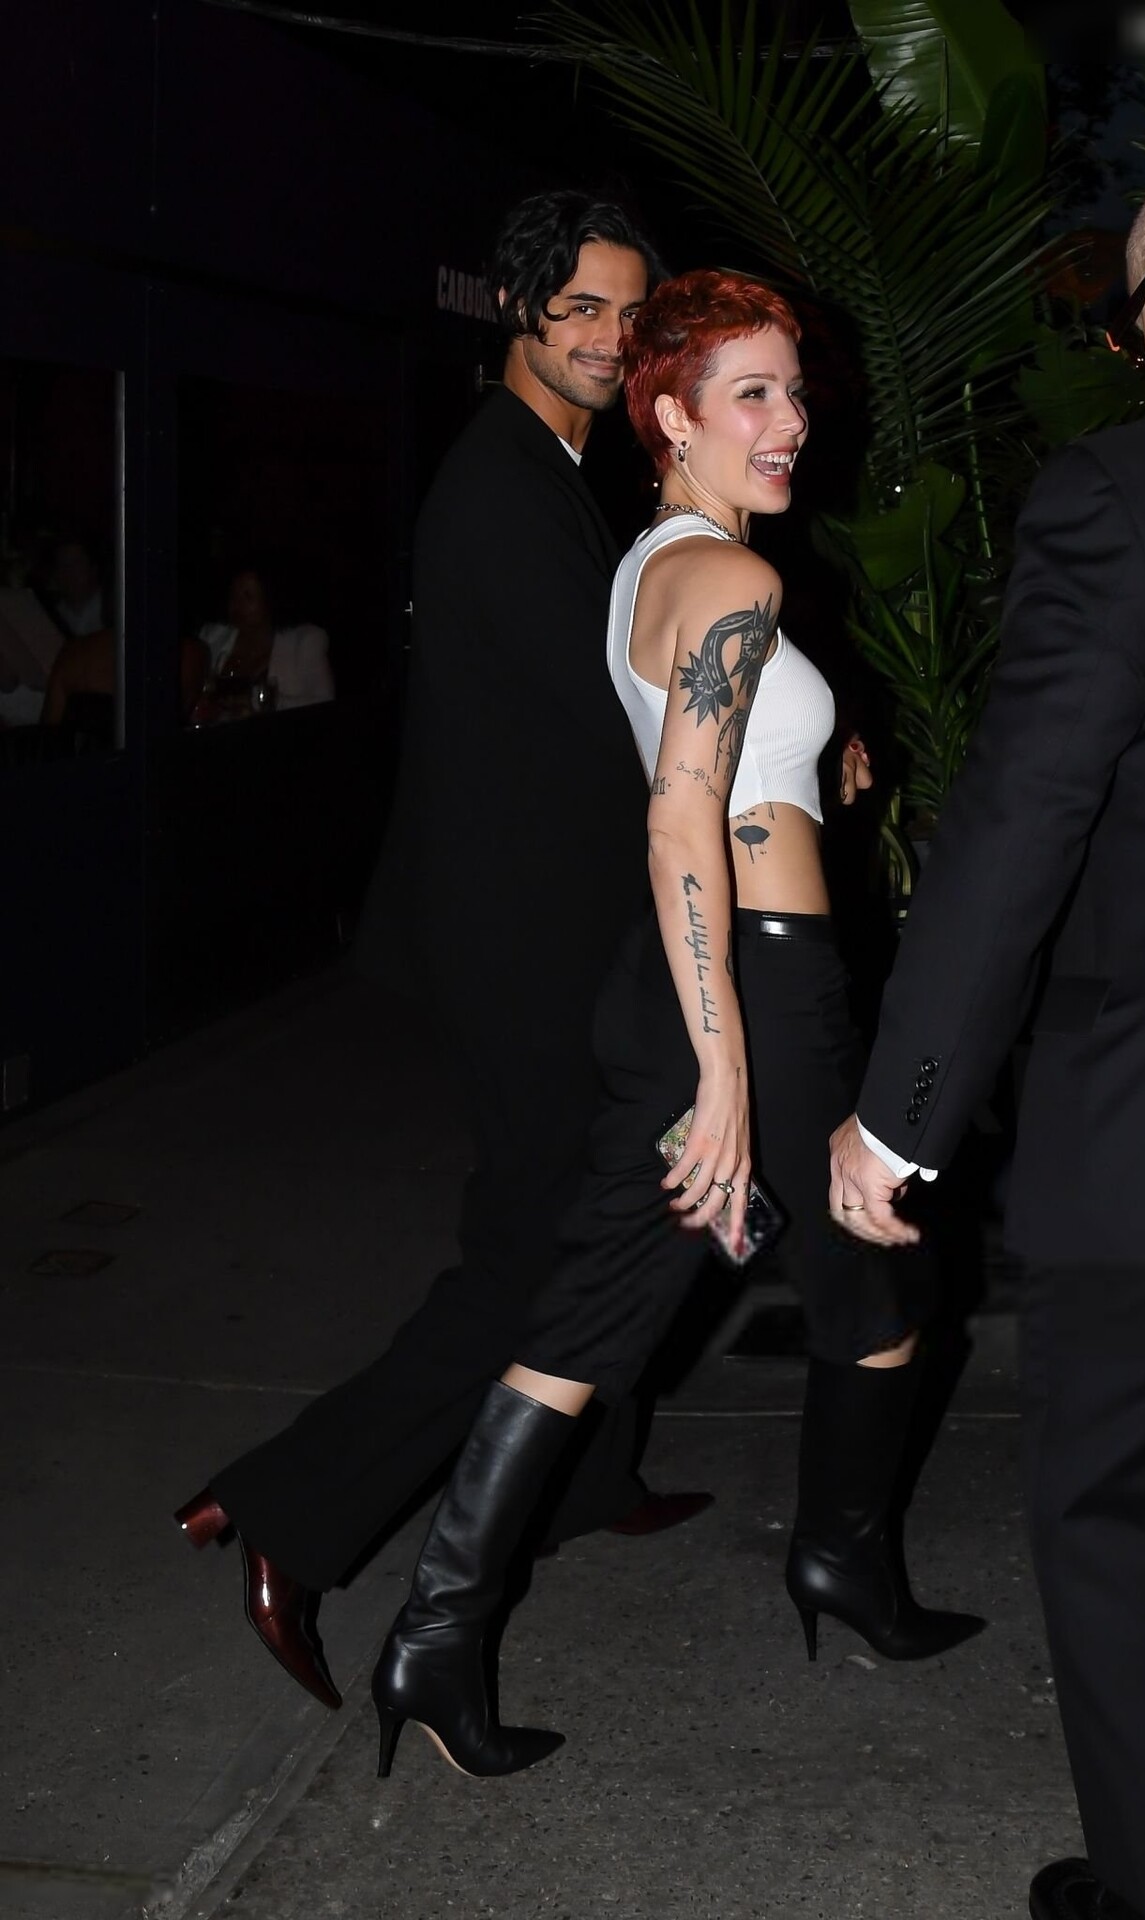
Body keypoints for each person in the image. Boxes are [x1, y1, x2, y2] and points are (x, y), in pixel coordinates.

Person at [368, 269, 984, 1786]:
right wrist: (724, 1074)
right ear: (671, 415)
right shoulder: (733, 586)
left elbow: (713, 774)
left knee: (780, 1291)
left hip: (717, 981)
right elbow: (676, 819)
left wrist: (818, 766)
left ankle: (818, 1567)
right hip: (748, 990)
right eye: (751, 395)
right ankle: (451, 1631)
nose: (791, 422)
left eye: (795, 391)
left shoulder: (658, 561)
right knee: (836, 1274)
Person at [174, 191, 710, 1712]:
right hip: (521, 939)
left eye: (629, 312)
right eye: (579, 307)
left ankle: (587, 1475)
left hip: (539, 918)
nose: (608, 337)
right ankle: (287, 1513)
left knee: (610, 1203)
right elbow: (611, 718)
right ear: (514, 311)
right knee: (532, 1253)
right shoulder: (502, 484)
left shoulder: (557, 468)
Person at [828, 153, 1145, 1920]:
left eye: (1125, 315)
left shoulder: (1135, 491)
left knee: (1128, 1519)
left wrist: (902, 1112)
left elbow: (1024, 817)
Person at [188, 563, 334, 721]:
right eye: (233, 596)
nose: (237, 605)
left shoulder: (304, 641)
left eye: (248, 596)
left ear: (270, 600)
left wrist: (261, 700)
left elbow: (325, 702)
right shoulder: (212, 636)